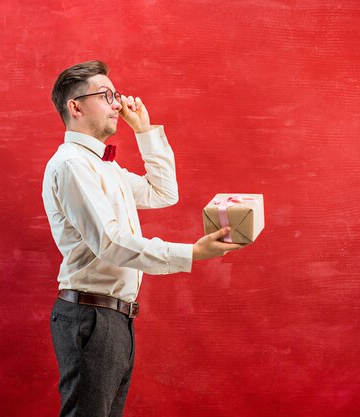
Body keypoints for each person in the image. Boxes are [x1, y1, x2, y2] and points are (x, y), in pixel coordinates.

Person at [42, 60, 242, 417]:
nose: (118, 103)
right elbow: (110, 242)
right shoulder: (73, 165)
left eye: (115, 94)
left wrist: (144, 131)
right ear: (75, 107)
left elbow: (163, 192)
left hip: (113, 318)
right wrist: (192, 253)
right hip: (90, 316)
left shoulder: (104, 166)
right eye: (106, 95)